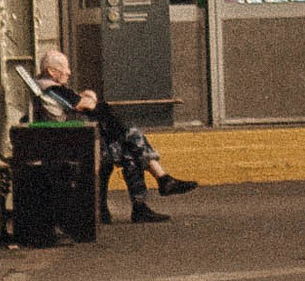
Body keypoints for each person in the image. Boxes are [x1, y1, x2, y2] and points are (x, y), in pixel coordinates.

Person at [26, 47, 196, 219]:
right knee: (128, 139)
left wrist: (87, 98)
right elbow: (85, 105)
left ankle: (155, 189)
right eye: (65, 68)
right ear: (51, 71)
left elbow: (77, 102)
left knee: (128, 148)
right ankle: (154, 188)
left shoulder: (52, 88)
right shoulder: (52, 89)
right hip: (73, 140)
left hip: (73, 137)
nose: (69, 72)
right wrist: (90, 98)